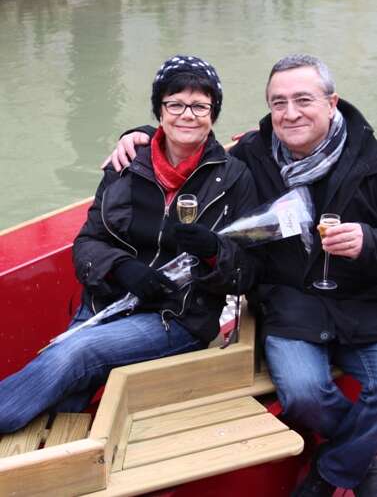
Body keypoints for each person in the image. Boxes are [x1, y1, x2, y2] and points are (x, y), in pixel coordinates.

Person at [108, 54, 377, 497]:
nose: (290, 113)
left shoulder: (370, 158)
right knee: (305, 395)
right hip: (293, 307)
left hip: (362, 304)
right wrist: (136, 137)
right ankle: (363, 453)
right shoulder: (252, 155)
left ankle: (333, 471)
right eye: (278, 102)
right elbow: (189, 141)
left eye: (303, 100)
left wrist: (368, 241)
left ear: (333, 102)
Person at [0, 54, 258, 434]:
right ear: (159, 110)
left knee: (76, 353)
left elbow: (247, 272)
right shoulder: (127, 164)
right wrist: (122, 267)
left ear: (213, 114)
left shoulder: (234, 178)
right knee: (66, 396)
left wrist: (213, 251)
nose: (187, 114)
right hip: (107, 301)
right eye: (175, 104)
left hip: (174, 317)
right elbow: (88, 242)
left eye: (200, 106)